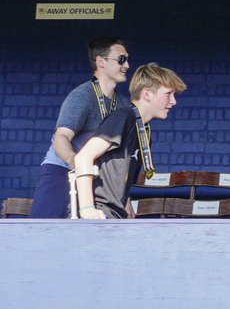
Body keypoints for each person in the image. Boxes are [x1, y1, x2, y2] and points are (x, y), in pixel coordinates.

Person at [30, 36, 132, 218]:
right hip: (62, 171)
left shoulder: (124, 104)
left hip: (97, 177)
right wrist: (75, 161)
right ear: (100, 61)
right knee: (43, 230)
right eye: (121, 60)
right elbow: (61, 137)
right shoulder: (82, 95)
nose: (127, 66)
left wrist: (126, 199)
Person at [72, 63, 186, 220]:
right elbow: (83, 157)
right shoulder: (123, 117)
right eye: (168, 94)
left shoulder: (142, 130)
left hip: (114, 213)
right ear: (147, 94)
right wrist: (87, 209)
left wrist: (126, 202)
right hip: (99, 214)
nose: (173, 101)